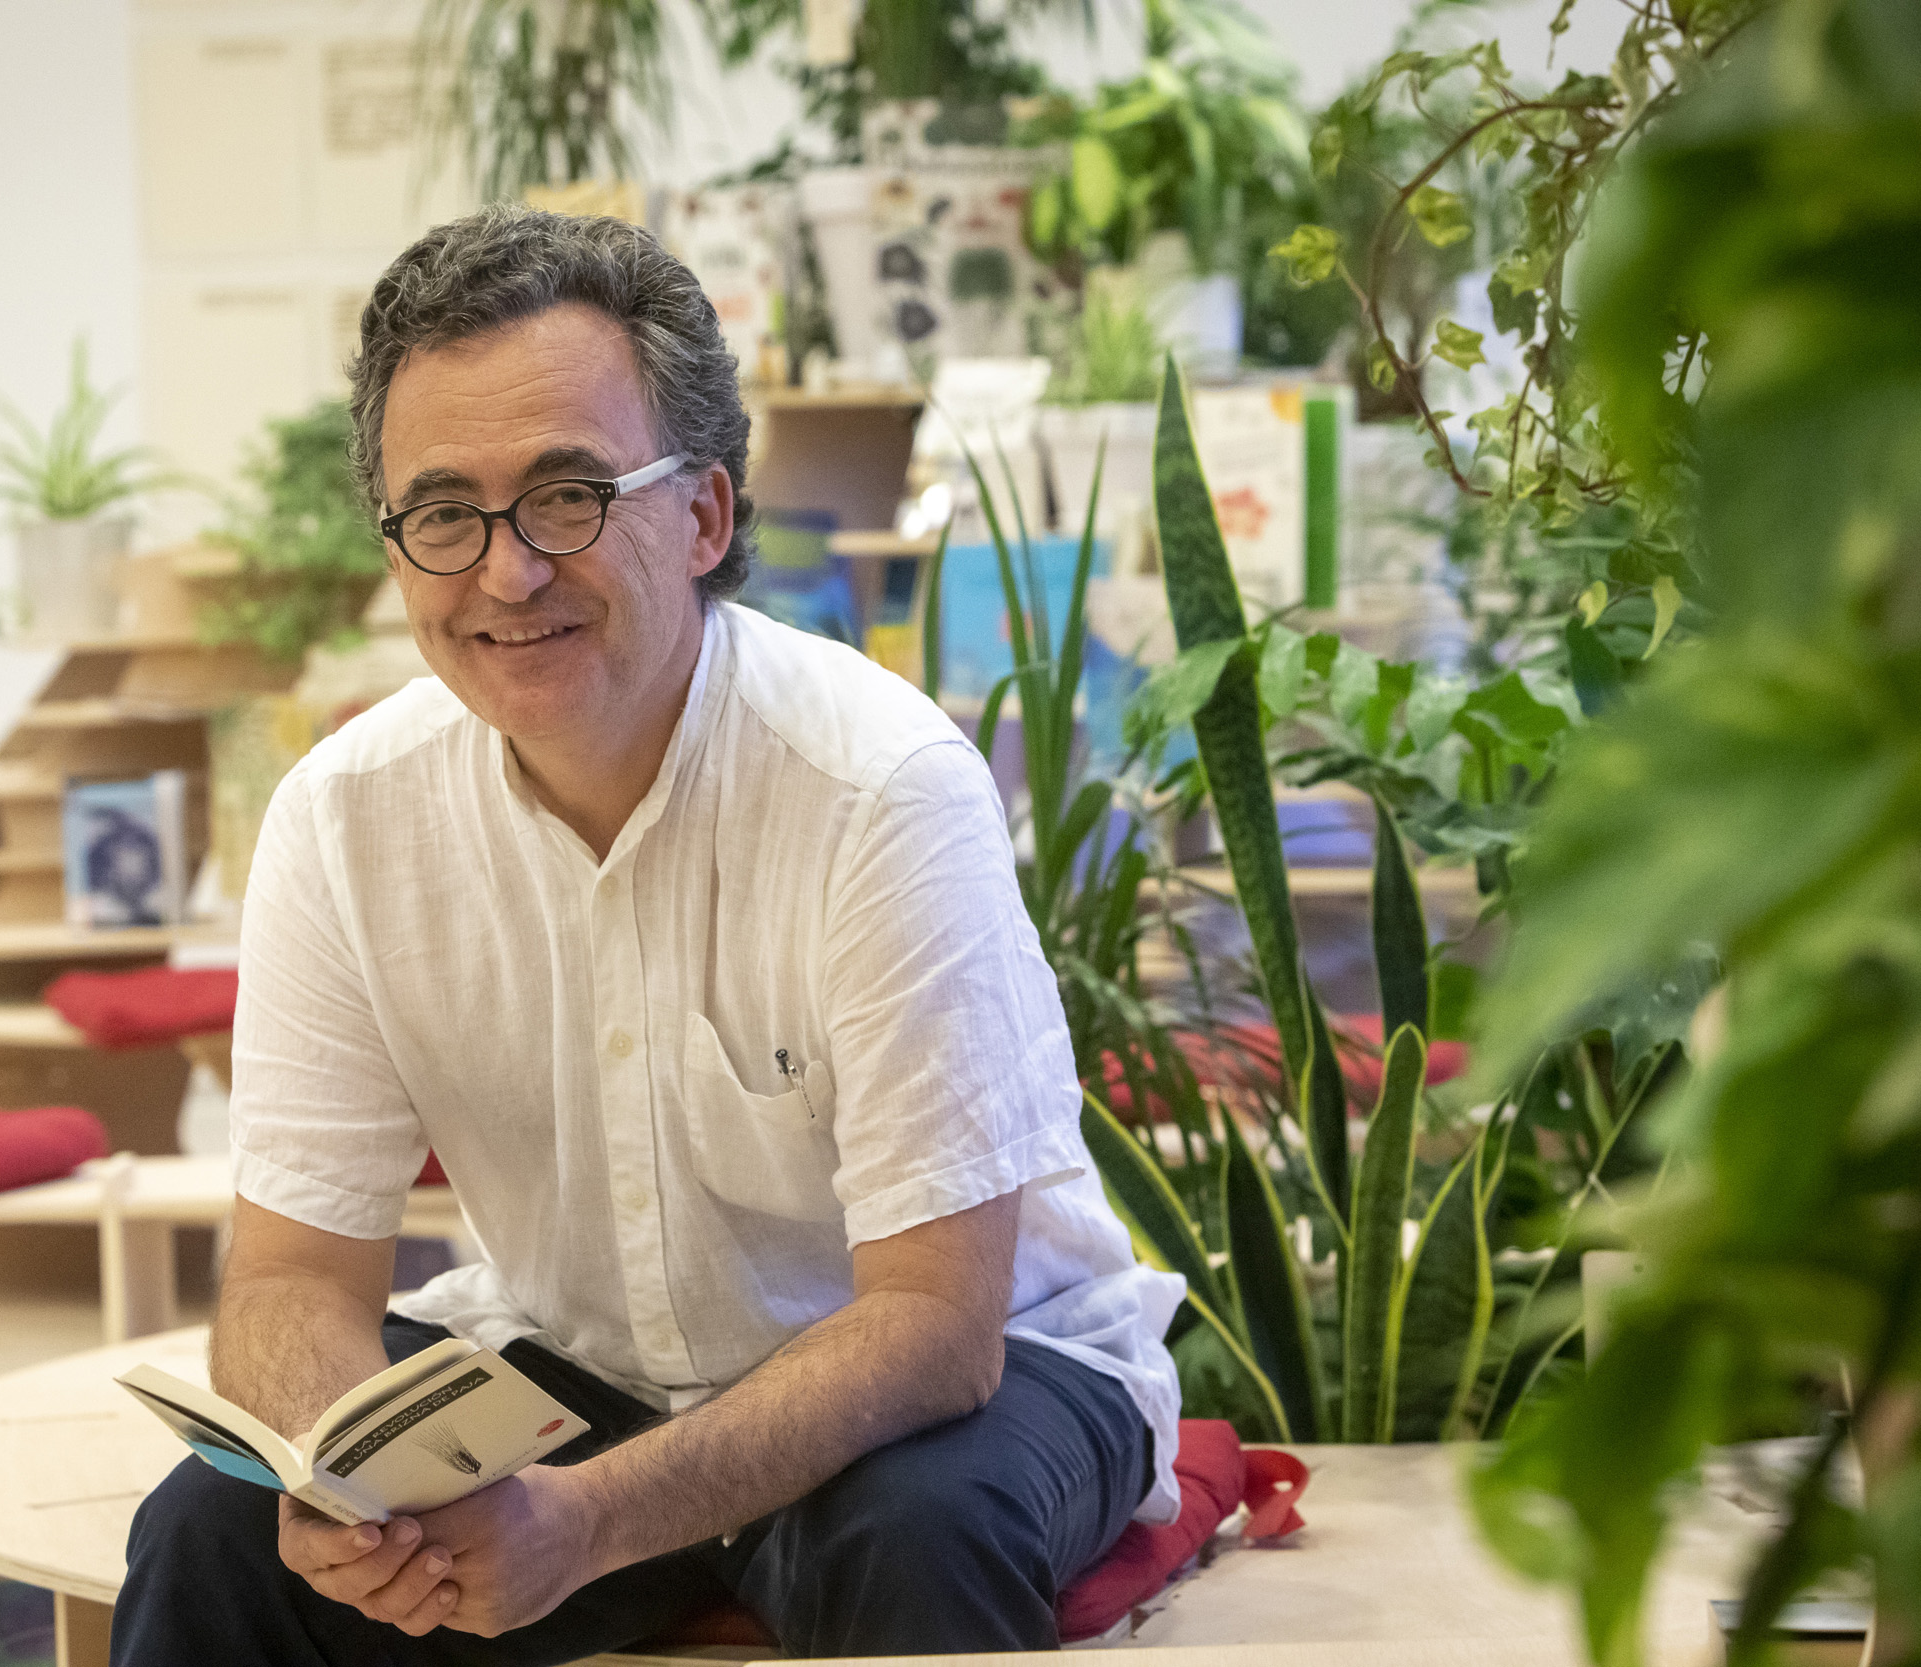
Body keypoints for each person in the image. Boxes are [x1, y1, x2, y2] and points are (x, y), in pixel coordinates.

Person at [112, 206, 1185, 1667]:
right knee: (210, 1533)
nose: (507, 573)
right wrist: (345, 1485)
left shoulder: (879, 788)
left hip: (970, 1372)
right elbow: (292, 1278)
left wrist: (590, 1523)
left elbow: (936, 1325)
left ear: (705, 517)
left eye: (568, 496)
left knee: (917, 1537)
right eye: (445, 514)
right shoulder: (342, 819)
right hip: (586, 1365)